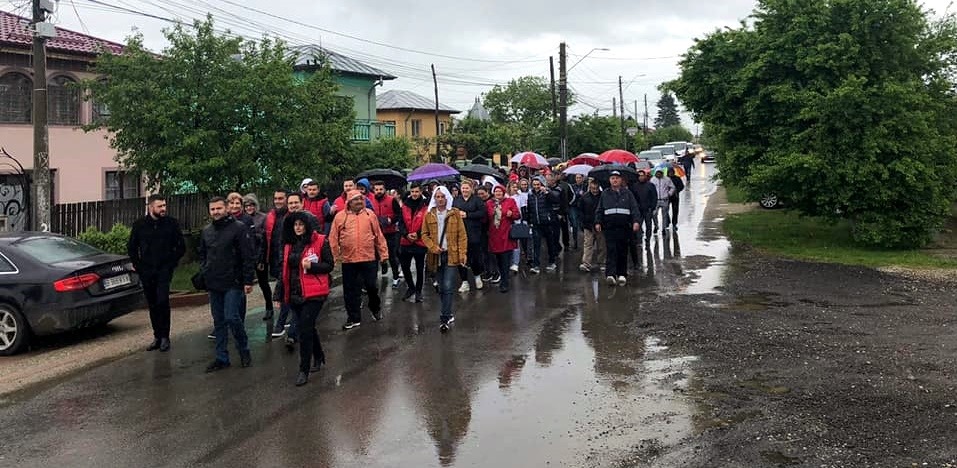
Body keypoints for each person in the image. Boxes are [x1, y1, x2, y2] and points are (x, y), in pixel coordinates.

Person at [199, 197, 255, 372]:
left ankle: (244, 350)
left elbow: (247, 255)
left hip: (233, 281)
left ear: (226, 209)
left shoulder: (239, 228)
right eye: (213, 209)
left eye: (219, 208)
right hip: (214, 282)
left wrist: (248, 280)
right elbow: (203, 254)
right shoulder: (207, 231)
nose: (216, 212)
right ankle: (221, 357)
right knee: (219, 321)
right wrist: (205, 271)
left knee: (231, 317)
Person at [278, 211, 334, 386]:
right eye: (295, 225)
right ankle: (318, 356)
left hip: (314, 293)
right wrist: (279, 294)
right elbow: (284, 271)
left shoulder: (320, 240)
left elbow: (329, 265)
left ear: (307, 225)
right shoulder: (289, 244)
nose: (298, 228)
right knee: (307, 327)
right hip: (295, 293)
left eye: (301, 224)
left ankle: (304, 369)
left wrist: (312, 266)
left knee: (304, 329)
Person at [127, 194, 185, 352]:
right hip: (147, 271)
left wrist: (171, 263)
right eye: (160, 206)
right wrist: (138, 265)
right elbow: (132, 247)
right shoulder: (140, 225)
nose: (163, 209)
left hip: (164, 270)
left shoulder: (171, 223)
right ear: (151, 207)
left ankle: (165, 336)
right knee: (152, 303)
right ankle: (157, 336)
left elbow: (181, 247)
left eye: (164, 205)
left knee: (162, 301)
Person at [330, 190, 389, 330]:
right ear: (349, 202)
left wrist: (384, 255)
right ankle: (353, 317)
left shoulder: (370, 215)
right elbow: (333, 238)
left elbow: (378, 236)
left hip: (368, 258)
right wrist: (335, 256)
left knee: (371, 286)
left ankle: (375, 308)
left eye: (361, 199)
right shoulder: (340, 217)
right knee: (350, 290)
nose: (359, 202)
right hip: (349, 260)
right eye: (355, 200)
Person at [420, 186, 468, 332]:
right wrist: (432, 247)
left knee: (447, 286)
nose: (440, 199)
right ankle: (448, 311)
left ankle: (444, 318)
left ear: (447, 198)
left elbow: (462, 235)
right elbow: (424, 234)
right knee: (441, 287)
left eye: (442, 197)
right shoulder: (429, 214)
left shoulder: (454, 213)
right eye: (437, 197)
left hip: (451, 254)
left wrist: (462, 253)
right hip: (436, 255)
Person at [595, 171, 640, 287]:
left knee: (622, 250)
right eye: (612, 178)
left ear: (621, 180)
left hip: (624, 227)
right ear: (609, 180)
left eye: (617, 178)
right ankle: (610, 274)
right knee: (611, 250)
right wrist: (598, 222)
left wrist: (636, 221)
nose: (615, 180)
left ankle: (622, 274)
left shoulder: (627, 193)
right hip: (609, 227)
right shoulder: (605, 194)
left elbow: (634, 208)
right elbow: (600, 209)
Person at [452, 179, 486, 292]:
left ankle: (477, 276)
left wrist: (467, 215)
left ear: (471, 189)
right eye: (463, 188)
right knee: (461, 257)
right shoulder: (456, 200)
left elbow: (482, 213)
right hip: (460, 233)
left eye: (467, 188)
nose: (465, 190)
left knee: (475, 256)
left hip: (474, 232)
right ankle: (464, 281)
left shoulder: (477, 200)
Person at [243, 194, 273, 322]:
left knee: (263, 282)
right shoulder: (242, 219)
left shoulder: (262, 218)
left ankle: (269, 307)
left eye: (251, 205)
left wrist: (262, 259)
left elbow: (264, 240)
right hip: (246, 255)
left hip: (259, 254)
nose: (249, 208)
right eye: (246, 206)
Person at [486, 185, 521, 293]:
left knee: (505, 260)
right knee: (498, 260)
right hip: (494, 235)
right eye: (496, 191)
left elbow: (517, 215)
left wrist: (511, 214)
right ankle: (501, 276)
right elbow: (487, 216)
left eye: (500, 191)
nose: (498, 193)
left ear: (503, 192)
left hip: (506, 234)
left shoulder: (510, 201)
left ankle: (505, 282)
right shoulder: (489, 203)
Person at [398, 183, 429, 303]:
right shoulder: (405, 205)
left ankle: (419, 291)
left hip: (419, 241)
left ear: (421, 192)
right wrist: (406, 234)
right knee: (405, 267)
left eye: (416, 191)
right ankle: (411, 287)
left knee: (420, 268)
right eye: (412, 192)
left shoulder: (425, 206)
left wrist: (419, 234)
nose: (414, 194)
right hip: (406, 241)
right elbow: (401, 223)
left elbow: (427, 223)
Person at [369, 180, 402, 287]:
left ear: (384, 189)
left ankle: (396, 277)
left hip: (390, 232)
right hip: (376, 233)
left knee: (392, 255)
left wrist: (391, 220)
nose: (379, 191)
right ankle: (373, 279)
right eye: (376, 189)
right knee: (375, 256)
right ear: (373, 190)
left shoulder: (391, 200)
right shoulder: (370, 201)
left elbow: (399, 214)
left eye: (381, 189)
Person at [262, 190, 288, 323]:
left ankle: (284, 319)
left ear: (286, 199)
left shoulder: (291, 215)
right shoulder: (270, 216)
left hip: (287, 255)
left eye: (281, 198)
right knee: (281, 283)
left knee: (286, 284)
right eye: (276, 198)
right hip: (273, 256)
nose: (278, 201)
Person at [526, 176, 560, 274]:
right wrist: (530, 220)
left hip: (547, 222)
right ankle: (536, 265)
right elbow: (529, 208)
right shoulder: (530, 195)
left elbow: (556, 199)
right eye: (534, 185)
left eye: (538, 184)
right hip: (536, 223)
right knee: (536, 244)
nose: (536, 187)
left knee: (550, 243)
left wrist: (547, 192)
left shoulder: (546, 192)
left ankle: (552, 262)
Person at [578, 180, 606, 273]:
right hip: (588, 224)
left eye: (596, 188)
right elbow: (580, 210)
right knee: (588, 244)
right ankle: (586, 263)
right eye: (593, 188)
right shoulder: (584, 197)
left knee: (601, 245)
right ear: (590, 188)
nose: (595, 190)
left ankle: (602, 262)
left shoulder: (603, 196)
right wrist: (582, 222)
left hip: (600, 224)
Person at [631, 170, 658, 243]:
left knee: (648, 225)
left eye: (642, 176)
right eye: (639, 176)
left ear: (645, 176)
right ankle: (639, 239)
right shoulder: (634, 186)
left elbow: (654, 197)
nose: (641, 177)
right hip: (638, 210)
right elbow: (633, 198)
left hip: (648, 209)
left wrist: (652, 207)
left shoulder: (650, 185)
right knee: (638, 225)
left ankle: (648, 238)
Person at [507, 180, 528, 272]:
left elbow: (523, 209)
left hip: (517, 221)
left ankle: (516, 263)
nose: (515, 189)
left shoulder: (520, 197)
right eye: (513, 187)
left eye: (516, 187)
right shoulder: (506, 197)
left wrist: (524, 220)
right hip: (507, 223)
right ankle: (509, 261)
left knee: (516, 243)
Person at [651, 169, 676, 233]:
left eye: (660, 173)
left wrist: (669, 194)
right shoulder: (652, 180)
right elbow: (650, 188)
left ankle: (664, 228)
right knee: (654, 214)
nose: (658, 174)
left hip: (664, 200)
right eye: (657, 173)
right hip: (656, 200)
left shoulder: (667, 179)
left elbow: (673, 187)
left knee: (664, 215)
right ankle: (656, 226)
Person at [568, 173, 586, 251]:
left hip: (582, 207)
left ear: (582, 178)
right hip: (574, 207)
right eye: (577, 178)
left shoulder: (585, 186)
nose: (578, 179)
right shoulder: (572, 186)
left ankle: (585, 241)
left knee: (582, 225)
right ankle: (575, 242)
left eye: (580, 178)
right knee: (574, 224)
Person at [668, 167, 685, 232]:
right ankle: (667, 221)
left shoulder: (677, 178)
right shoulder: (666, 179)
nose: (671, 173)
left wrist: (676, 190)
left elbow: (682, 186)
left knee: (675, 210)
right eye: (669, 172)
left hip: (675, 197)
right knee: (666, 210)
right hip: (667, 197)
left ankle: (674, 223)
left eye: (672, 172)